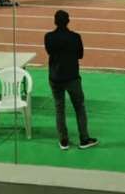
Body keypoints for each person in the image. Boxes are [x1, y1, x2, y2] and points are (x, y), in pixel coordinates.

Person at [44, 10, 98, 150]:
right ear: (68, 21)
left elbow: (50, 52)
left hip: (55, 77)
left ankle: (63, 141)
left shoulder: (48, 37)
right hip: (72, 77)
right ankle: (84, 139)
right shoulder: (75, 37)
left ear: (55, 21)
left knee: (59, 109)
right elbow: (80, 55)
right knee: (79, 107)